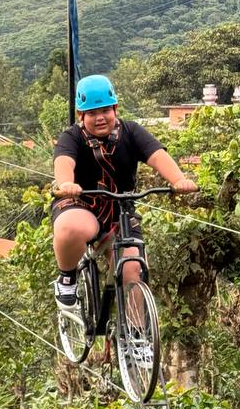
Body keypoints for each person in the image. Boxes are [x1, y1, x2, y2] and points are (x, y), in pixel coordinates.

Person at [51, 74, 197, 308]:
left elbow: (157, 155)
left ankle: (137, 338)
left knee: (133, 268)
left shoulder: (131, 132)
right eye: (92, 113)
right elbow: (64, 161)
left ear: (115, 109)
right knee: (73, 227)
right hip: (80, 203)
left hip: (120, 210)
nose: (100, 118)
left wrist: (179, 180)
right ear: (81, 116)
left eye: (105, 111)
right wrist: (67, 184)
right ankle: (67, 278)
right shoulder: (73, 137)